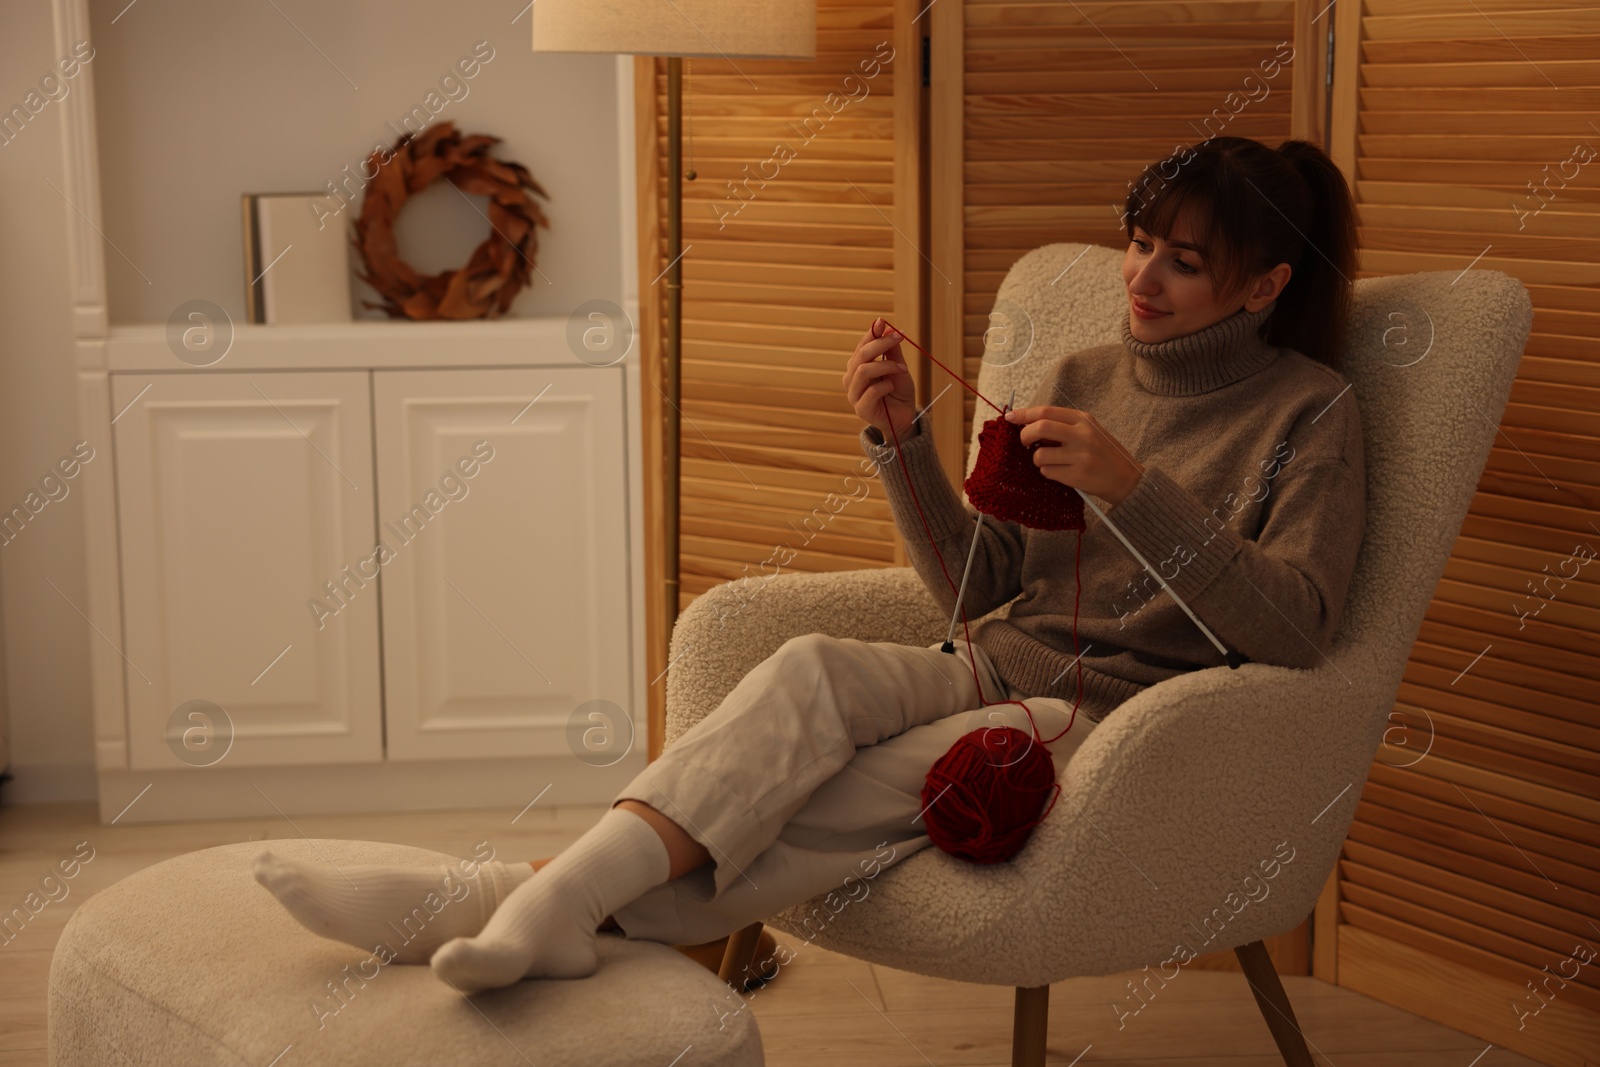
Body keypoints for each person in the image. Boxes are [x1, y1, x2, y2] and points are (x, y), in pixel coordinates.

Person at [253, 134, 1366, 995]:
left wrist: (1135, 489)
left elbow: (1299, 626)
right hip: (998, 660)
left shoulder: (1309, 414)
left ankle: (502, 897)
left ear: (1262, 286)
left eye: (1182, 260)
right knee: (810, 670)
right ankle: (543, 912)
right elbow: (978, 589)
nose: (1141, 275)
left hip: (1121, 718)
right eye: (1138, 242)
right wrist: (898, 444)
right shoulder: (1083, 368)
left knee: (847, 780)